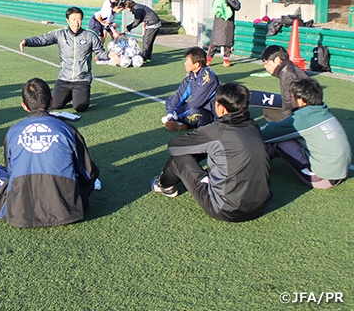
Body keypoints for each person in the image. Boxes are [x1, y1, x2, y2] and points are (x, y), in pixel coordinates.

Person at [150, 83, 271, 222]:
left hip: (227, 209)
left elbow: (174, 146)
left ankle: (163, 185)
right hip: (262, 205)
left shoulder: (217, 130)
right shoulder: (253, 125)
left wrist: (199, 145)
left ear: (222, 108)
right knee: (219, 150)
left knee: (178, 159)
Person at [0, 78, 99, 228]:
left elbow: (11, 171)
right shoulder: (68, 129)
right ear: (51, 101)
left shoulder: (13, 131)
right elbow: (87, 173)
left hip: (20, 211)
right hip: (66, 210)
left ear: (24, 106)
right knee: (88, 172)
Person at [19, 6, 119, 112]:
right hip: (64, 78)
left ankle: (78, 96)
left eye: (79, 19)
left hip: (82, 79)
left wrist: (109, 55)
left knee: (80, 107)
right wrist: (27, 41)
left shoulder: (89, 35)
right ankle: (71, 95)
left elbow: (100, 52)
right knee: (54, 105)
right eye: (73, 19)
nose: (76, 23)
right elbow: (43, 39)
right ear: (67, 20)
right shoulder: (60, 34)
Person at [261, 78, 350, 189]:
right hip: (338, 172)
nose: (290, 99)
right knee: (289, 137)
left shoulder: (303, 118)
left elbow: (267, 133)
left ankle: (257, 163)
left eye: (292, 96)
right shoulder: (323, 111)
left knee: (279, 140)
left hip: (322, 178)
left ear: (301, 101)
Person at [163, 47, 220, 131]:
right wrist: (170, 114)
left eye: (187, 61)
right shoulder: (191, 75)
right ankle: (180, 123)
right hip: (196, 107)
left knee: (193, 111)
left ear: (197, 64)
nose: (185, 63)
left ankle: (183, 124)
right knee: (170, 100)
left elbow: (195, 103)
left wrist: (175, 115)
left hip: (209, 113)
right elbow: (180, 95)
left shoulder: (208, 79)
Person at [261, 45, 309, 121]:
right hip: (310, 109)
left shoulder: (287, 76)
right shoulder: (292, 68)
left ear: (277, 60)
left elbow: (288, 104)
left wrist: (285, 124)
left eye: (266, 62)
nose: (265, 66)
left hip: (303, 113)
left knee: (268, 111)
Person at [207, 0, 241, 67]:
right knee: (214, 42)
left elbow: (237, 7)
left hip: (229, 23)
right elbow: (214, 6)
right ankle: (208, 59)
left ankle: (226, 60)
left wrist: (229, 1)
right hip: (219, 23)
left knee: (227, 42)